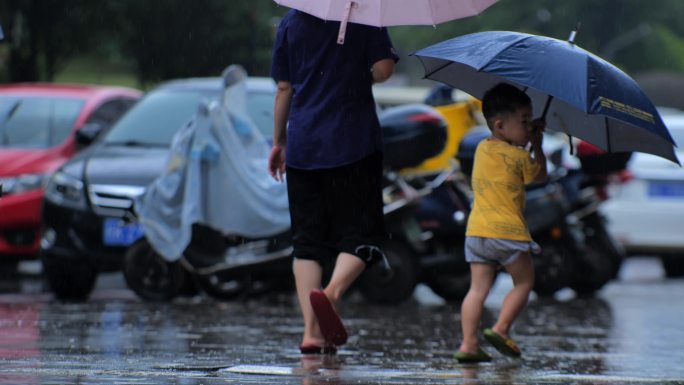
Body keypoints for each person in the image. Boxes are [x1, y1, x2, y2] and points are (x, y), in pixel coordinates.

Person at [268, 10, 398, 355]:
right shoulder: (364, 15)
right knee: (361, 233)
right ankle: (330, 295)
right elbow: (384, 69)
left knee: (307, 242)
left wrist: (278, 142)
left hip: (304, 147)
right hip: (354, 144)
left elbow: (285, 88)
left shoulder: (290, 23)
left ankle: (311, 333)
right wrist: (358, 73)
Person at [454, 83, 547, 363]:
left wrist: (528, 135)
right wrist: (538, 145)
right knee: (524, 282)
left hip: (477, 232)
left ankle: (468, 344)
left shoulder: (482, 148)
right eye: (524, 122)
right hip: (507, 233)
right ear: (500, 125)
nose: (529, 127)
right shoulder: (519, 156)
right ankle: (501, 328)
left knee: (477, 290)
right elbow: (539, 176)